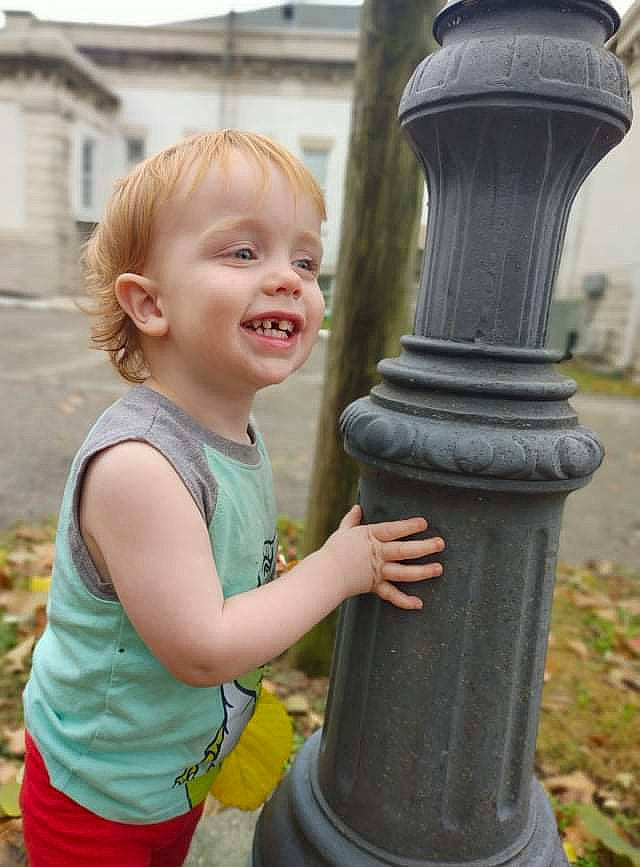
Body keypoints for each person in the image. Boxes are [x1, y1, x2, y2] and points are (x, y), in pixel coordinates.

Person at [20, 130, 446, 866]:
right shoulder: (140, 466)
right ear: (149, 303)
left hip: (170, 776)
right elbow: (202, 645)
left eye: (306, 260)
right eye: (243, 253)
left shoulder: (232, 431)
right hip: (97, 793)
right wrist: (335, 570)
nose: (288, 278)